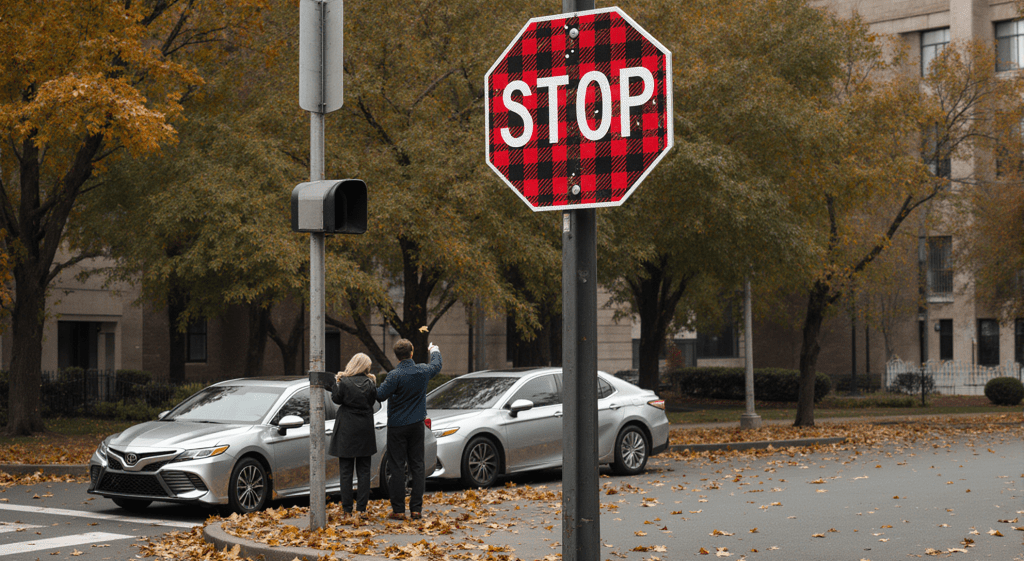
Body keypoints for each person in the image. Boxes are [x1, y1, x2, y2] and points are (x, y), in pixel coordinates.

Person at [375, 338, 442, 520]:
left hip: (397, 426)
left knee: (396, 467)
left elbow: (380, 395)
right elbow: (436, 365)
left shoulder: (394, 375)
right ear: (411, 353)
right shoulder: (422, 370)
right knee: (417, 466)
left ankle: (398, 509)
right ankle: (416, 509)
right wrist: (434, 350)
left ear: (397, 356)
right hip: (417, 425)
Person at [328, 353, 378, 519]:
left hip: (346, 429)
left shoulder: (344, 382)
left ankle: (347, 510)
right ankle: (362, 509)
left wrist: (335, 384)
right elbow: (371, 402)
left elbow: (336, 399)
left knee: (346, 472)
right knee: (364, 471)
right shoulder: (370, 383)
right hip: (365, 429)